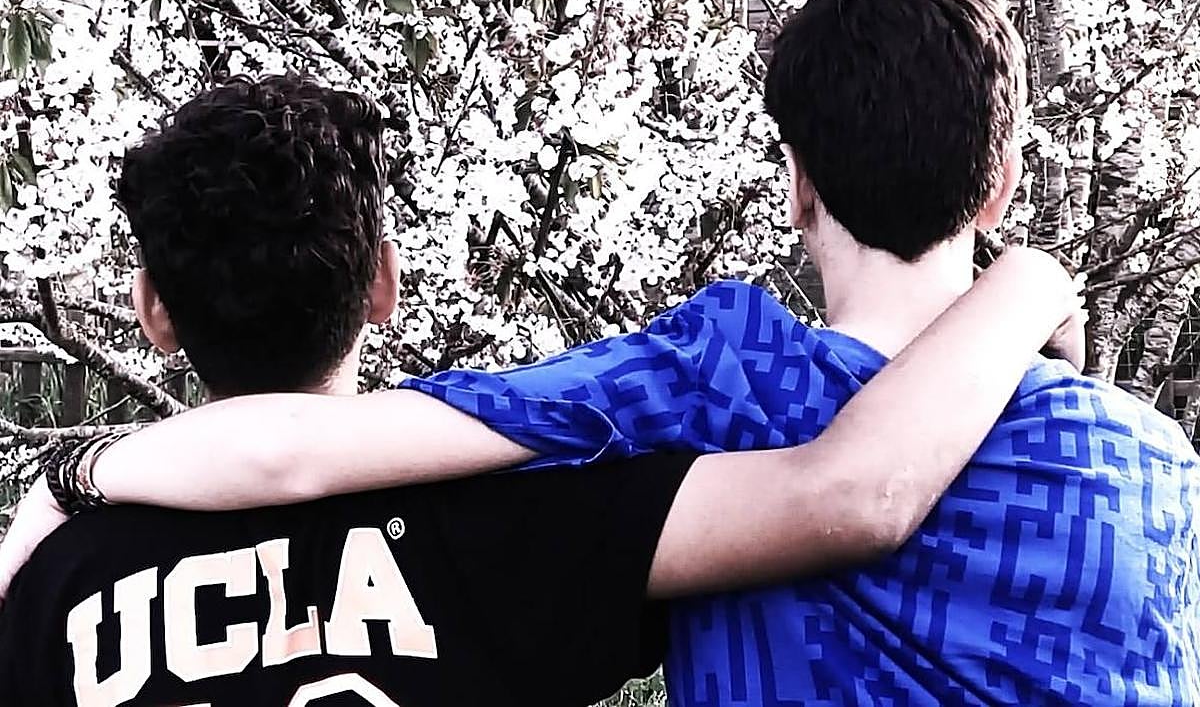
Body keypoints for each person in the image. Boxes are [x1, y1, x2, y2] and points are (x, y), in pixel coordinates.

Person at [0, 73, 1079, 706]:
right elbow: (841, 490)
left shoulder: (44, 586)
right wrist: (1028, 285)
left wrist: (71, 479)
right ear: (384, 285)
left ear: (150, 308)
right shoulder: (518, 519)